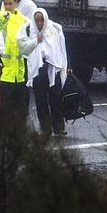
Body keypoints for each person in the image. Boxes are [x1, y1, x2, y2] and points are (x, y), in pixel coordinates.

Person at [18, 8, 69, 136]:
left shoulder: (53, 30)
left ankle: (59, 127)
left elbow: (61, 49)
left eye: (41, 20)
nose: (39, 23)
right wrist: (36, 40)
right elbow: (23, 48)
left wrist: (65, 65)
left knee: (55, 99)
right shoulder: (29, 29)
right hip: (37, 71)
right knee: (41, 101)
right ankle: (45, 128)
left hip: (53, 69)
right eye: (37, 20)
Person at [0, 0, 30, 125]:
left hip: (19, 72)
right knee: (4, 107)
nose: (8, 6)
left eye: (10, 3)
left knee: (20, 107)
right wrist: (4, 19)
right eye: (6, 4)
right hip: (5, 71)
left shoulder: (24, 20)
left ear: (16, 4)